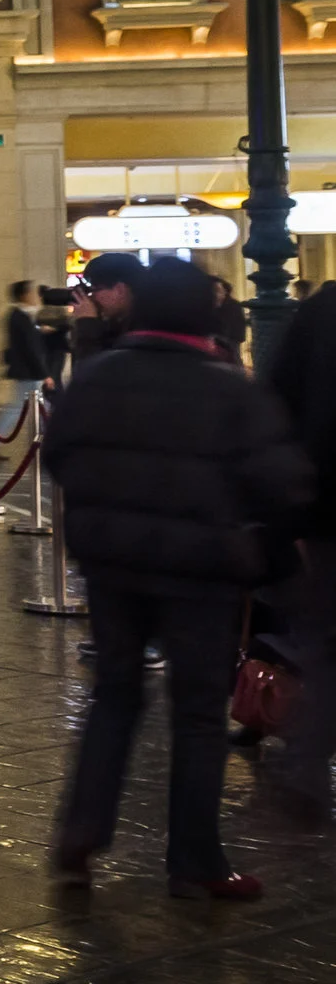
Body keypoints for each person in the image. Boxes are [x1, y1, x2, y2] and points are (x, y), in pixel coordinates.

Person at [46, 258, 311, 899]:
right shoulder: (229, 387)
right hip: (203, 574)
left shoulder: (101, 374)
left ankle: (82, 832)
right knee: (195, 716)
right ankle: (193, 859)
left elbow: (58, 456)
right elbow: (281, 483)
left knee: (115, 697)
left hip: (113, 565)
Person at [264, 280, 336, 827]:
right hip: (321, 509)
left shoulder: (318, 313)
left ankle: (308, 766)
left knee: (325, 644)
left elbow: (279, 406)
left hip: (324, 508)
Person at [68, 253, 142, 378]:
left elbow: (93, 376)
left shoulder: (141, 331)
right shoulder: (118, 323)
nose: (92, 297)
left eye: (96, 289)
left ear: (120, 289)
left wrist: (87, 323)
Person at [0, 279, 54, 437]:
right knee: (17, 408)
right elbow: (30, 348)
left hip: (27, 369)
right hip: (28, 370)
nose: (34, 296)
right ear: (23, 295)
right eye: (30, 293)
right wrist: (44, 373)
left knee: (39, 404)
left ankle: (49, 432)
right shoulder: (21, 317)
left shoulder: (19, 316)